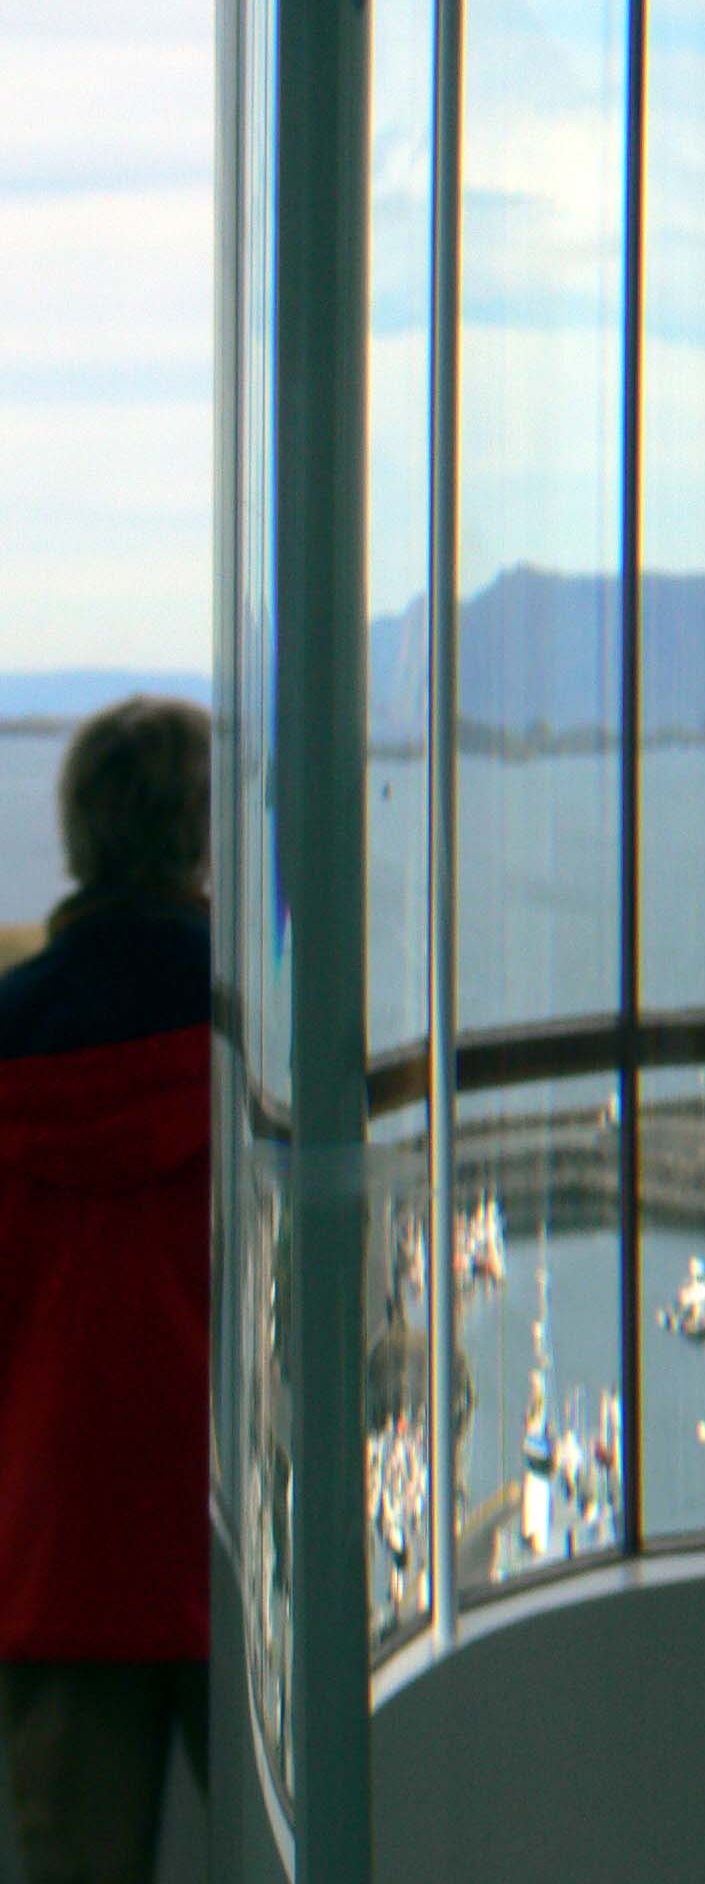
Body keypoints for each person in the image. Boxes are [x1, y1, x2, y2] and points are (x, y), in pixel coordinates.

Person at [0, 698, 212, 1884]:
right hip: (227, 1549)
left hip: (51, 1562)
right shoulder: (249, 1039)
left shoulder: (9, 1039)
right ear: (199, 836)